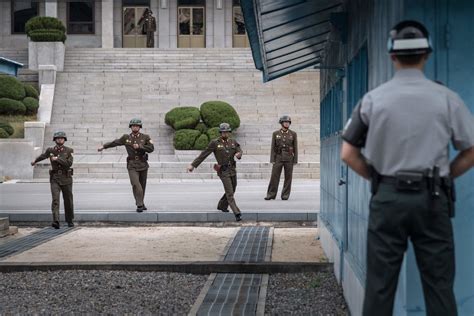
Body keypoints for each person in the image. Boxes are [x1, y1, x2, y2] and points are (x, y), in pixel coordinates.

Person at [341, 20, 474, 316]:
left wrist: (378, 178)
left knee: (380, 287)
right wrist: (446, 175)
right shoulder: (447, 99)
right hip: (433, 198)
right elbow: (471, 149)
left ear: (392, 56)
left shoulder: (373, 100)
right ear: (426, 54)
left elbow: (348, 153)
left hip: (388, 198)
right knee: (439, 286)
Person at [187, 123, 243, 222]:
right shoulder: (215, 143)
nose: (225, 133)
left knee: (233, 189)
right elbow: (203, 154)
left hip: (232, 170)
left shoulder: (233, 142)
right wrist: (193, 165)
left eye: (227, 131)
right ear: (220, 132)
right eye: (223, 132)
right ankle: (237, 212)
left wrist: (239, 154)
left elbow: (239, 150)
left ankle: (222, 205)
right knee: (230, 192)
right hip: (223, 171)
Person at [98, 118, 154, 212]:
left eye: (137, 125)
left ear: (139, 127)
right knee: (136, 184)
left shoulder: (145, 137)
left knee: (143, 185)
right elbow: (115, 142)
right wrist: (104, 146)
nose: (135, 127)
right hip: (132, 165)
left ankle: (141, 202)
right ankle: (139, 204)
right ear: (131, 127)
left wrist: (140, 147)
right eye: (133, 126)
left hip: (143, 164)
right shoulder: (126, 138)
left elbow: (151, 148)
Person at [31, 131, 75, 229]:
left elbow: (69, 164)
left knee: (68, 200)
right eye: (58, 138)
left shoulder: (69, 151)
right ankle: (56, 221)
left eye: (62, 138)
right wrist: (35, 161)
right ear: (55, 140)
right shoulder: (50, 150)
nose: (60, 140)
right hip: (54, 178)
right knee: (55, 200)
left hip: (66, 178)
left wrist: (57, 159)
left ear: (64, 140)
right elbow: (43, 156)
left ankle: (69, 220)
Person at [265, 115, 298, 200]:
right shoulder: (275, 134)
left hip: (289, 158)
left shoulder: (293, 134)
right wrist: (272, 159)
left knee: (288, 178)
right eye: (285, 122)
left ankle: (285, 195)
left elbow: (295, 147)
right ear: (281, 123)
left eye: (288, 122)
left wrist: (295, 160)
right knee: (274, 177)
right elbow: (273, 147)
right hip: (278, 158)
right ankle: (271, 194)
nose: (287, 124)